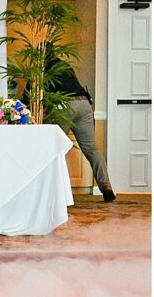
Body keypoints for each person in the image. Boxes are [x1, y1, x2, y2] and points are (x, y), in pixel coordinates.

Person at [44, 45, 116, 202]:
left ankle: (60, 192)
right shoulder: (64, 65)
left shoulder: (43, 69)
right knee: (92, 149)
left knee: (56, 148)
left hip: (64, 106)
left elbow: (31, 96)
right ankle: (106, 187)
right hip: (84, 104)